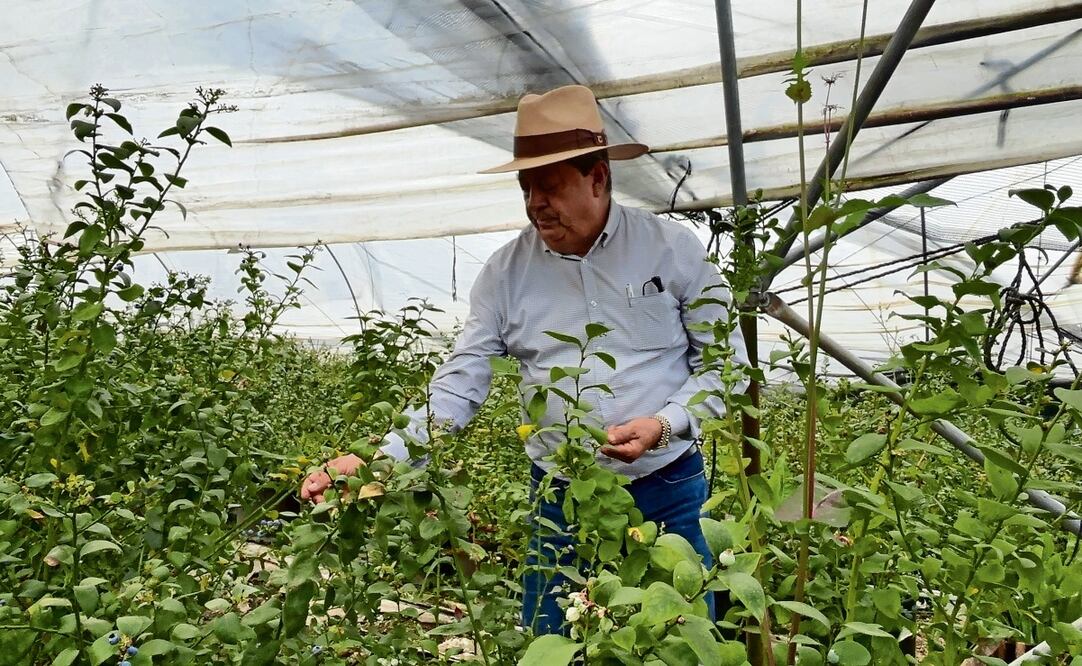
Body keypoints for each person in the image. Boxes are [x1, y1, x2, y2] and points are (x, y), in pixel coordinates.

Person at [301, 84, 749, 634]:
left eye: (550, 184)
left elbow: (726, 366)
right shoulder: (506, 273)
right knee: (553, 636)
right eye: (526, 185)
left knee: (679, 636)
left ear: (598, 178)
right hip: (561, 495)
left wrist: (665, 423)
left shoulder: (671, 251)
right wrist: (380, 460)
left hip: (668, 485)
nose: (536, 201)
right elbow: (460, 382)